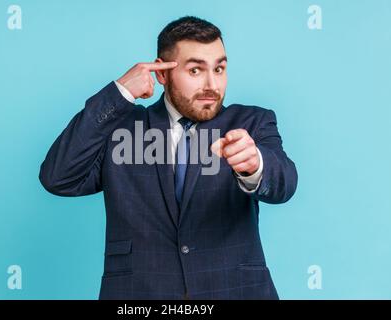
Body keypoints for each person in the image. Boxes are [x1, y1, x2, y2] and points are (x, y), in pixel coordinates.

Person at [39, 16, 298, 300]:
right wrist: (119, 93)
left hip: (234, 290)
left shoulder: (251, 122)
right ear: (162, 74)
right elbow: (58, 177)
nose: (212, 84)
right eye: (196, 70)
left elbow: (284, 183)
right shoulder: (121, 129)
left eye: (220, 68)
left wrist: (255, 166)